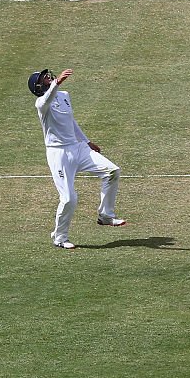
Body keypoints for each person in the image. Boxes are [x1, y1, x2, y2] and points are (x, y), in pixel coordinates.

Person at [28, 68, 126, 249]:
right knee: (68, 199)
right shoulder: (41, 103)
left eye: (48, 75)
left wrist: (86, 141)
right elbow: (49, 97)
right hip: (59, 154)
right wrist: (57, 82)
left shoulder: (64, 94)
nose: (48, 77)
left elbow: (70, 121)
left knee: (112, 171)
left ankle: (106, 215)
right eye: (44, 78)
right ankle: (60, 238)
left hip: (77, 147)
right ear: (39, 86)